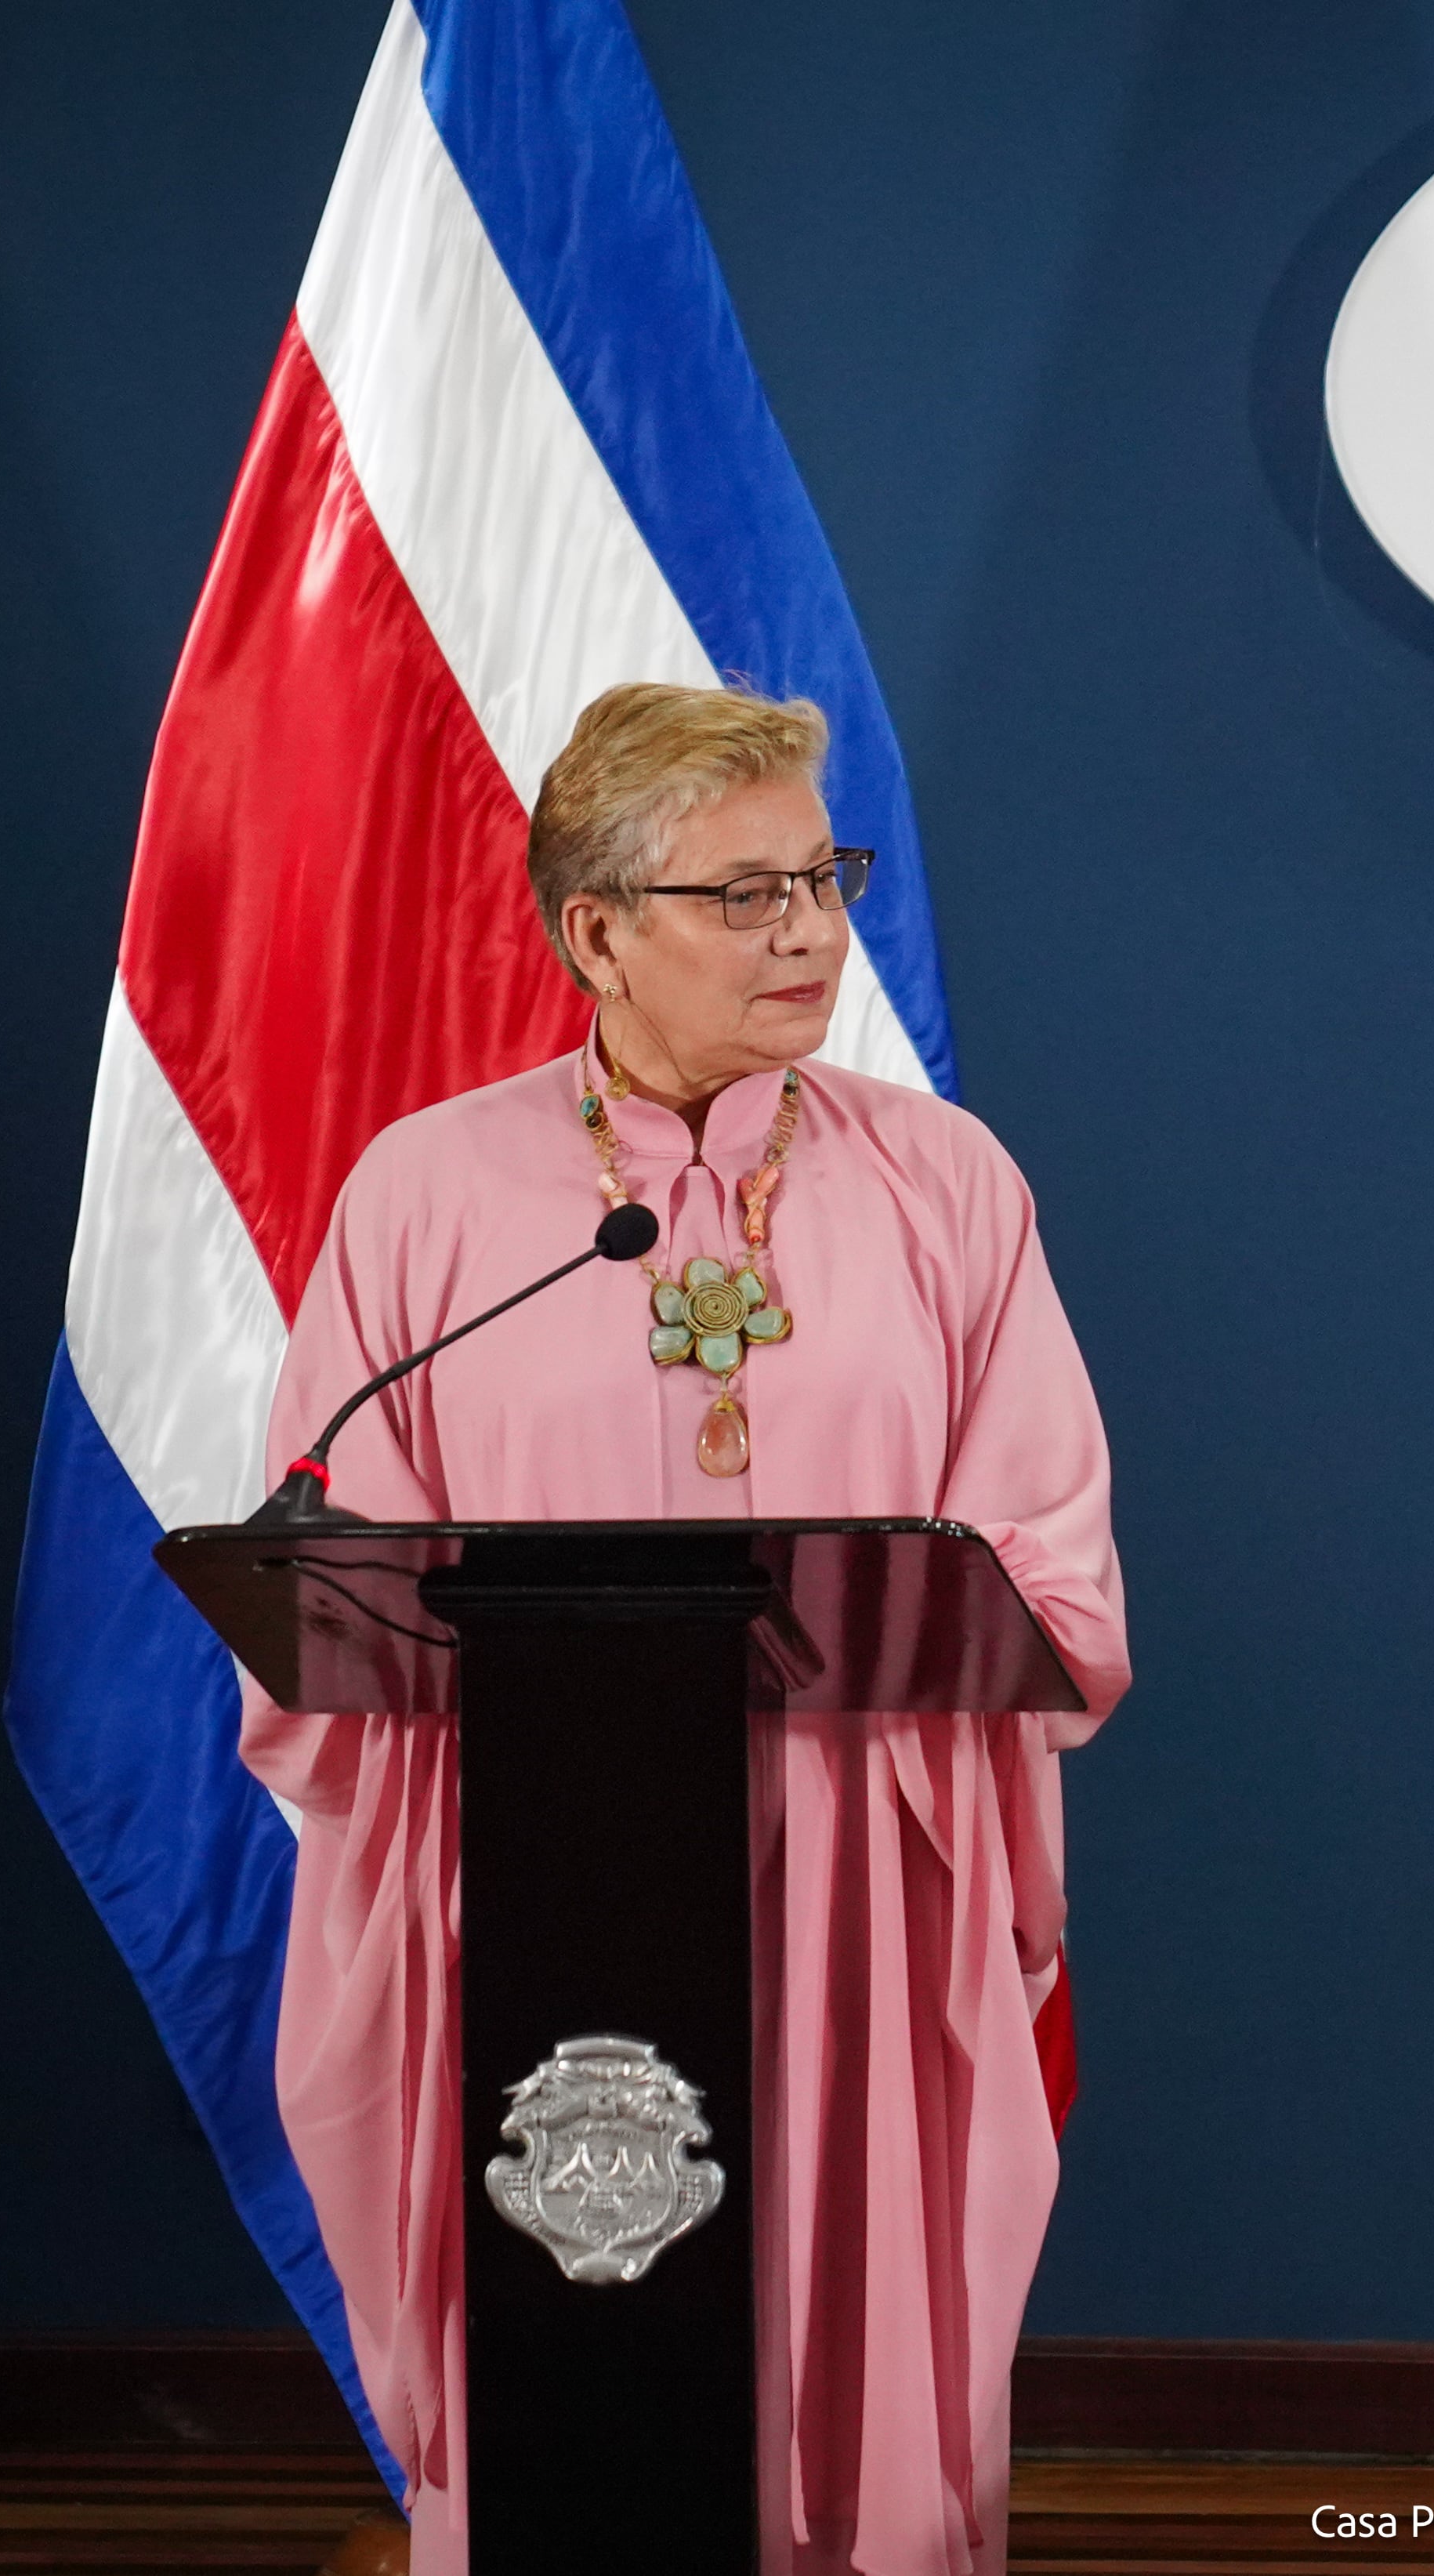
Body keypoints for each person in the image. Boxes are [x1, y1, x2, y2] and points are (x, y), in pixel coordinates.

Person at [244, 681, 1126, 2574]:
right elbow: (331, 1584)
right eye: (746, 893)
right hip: (536, 1886)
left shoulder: (947, 1189)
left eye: (824, 877)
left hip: (852, 1899)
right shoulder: (430, 1199)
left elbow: (1051, 1568)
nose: (810, 929)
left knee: (844, 2364)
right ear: (597, 931)